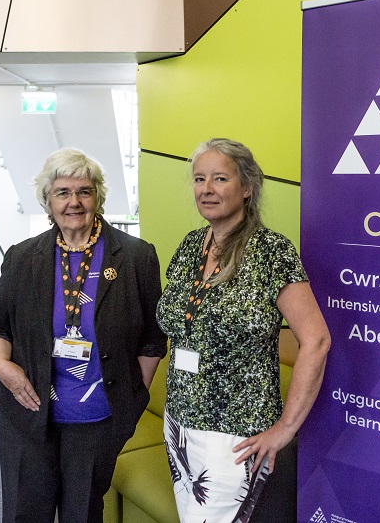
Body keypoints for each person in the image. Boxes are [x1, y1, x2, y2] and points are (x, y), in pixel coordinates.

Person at [0, 147, 167, 522]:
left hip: (97, 418)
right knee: (24, 512)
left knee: (81, 514)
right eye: (62, 192)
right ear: (47, 200)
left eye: (84, 191)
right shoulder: (22, 257)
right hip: (28, 411)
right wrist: (1, 364)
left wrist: (133, 393)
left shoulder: (134, 257)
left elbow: (152, 335)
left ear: (97, 196)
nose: (74, 202)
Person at [157, 138, 331, 522]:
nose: (207, 189)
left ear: (247, 187)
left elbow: (316, 341)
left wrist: (285, 428)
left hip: (236, 434)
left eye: (220, 178)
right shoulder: (191, 246)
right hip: (181, 423)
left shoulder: (271, 252)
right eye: (200, 179)